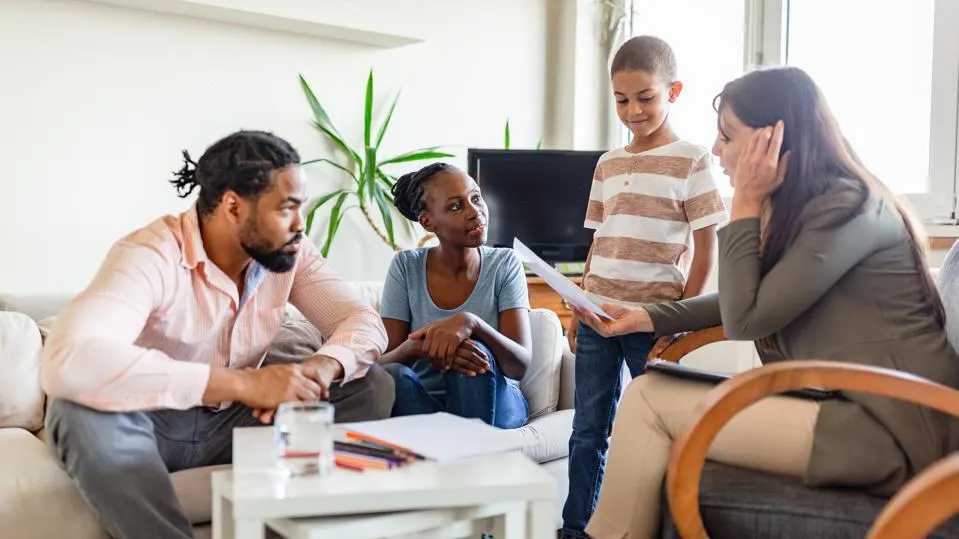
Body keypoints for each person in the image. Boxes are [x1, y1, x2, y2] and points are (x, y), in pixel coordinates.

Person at [574, 66, 959, 539]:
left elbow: (744, 318)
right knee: (650, 397)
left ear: (773, 140)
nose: (716, 150)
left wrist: (746, 202)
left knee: (649, 402)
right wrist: (646, 316)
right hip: (850, 405)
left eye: (727, 136)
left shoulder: (851, 208)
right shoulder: (821, 205)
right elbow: (751, 298)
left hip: (897, 428)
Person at [40, 130, 394, 539]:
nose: (301, 225)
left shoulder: (292, 251)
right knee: (75, 411)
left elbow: (361, 319)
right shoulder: (151, 253)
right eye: (288, 208)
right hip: (151, 420)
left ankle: (288, 523)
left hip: (238, 424)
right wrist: (246, 383)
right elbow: (69, 358)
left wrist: (321, 368)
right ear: (233, 206)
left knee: (370, 384)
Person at [561, 35, 727, 538]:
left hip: (653, 321)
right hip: (597, 318)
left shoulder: (693, 159)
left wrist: (680, 317)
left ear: (673, 91)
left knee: (660, 427)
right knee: (587, 429)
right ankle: (576, 528)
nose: (633, 110)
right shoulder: (608, 163)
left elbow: (705, 246)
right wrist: (577, 306)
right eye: (621, 100)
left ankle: (665, 526)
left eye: (645, 98)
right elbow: (598, 241)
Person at [378, 162, 531, 429]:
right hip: (425, 404)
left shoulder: (504, 263)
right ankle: (448, 449)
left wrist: (472, 324)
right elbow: (382, 363)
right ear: (428, 222)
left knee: (474, 354)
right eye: (456, 206)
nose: (476, 212)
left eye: (476, 198)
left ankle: (466, 455)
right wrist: (417, 347)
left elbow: (520, 366)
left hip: (497, 398)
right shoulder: (405, 267)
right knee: (393, 375)